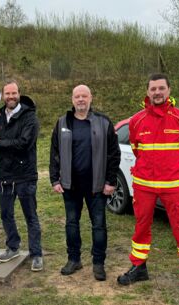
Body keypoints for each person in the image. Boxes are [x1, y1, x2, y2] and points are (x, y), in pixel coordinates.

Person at [116, 73, 179, 298]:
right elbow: (138, 150)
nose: (157, 92)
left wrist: (174, 168)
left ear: (169, 90)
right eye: (153, 89)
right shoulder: (136, 120)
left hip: (174, 186)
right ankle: (139, 268)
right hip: (144, 186)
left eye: (161, 88)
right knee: (141, 227)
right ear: (147, 92)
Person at [49, 84, 121, 281]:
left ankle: (98, 263)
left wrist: (110, 181)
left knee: (98, 225)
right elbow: (54, 152)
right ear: (72, 100)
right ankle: (74, 259)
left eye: (84, 96)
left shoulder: (103, 122)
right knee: (72, 223)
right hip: (70, 186)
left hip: (97, 186)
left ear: (90, 98)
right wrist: (55, 178)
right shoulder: (62, 122)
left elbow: (114, 154)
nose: (80, 99)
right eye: (77, 96)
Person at [0, 80, 43, 271]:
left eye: (14, 93)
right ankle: (13, 246)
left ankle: (36, 254)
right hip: (4, 176)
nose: (11, 96)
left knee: (30, 216)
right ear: (3, 96)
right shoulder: (0, 119)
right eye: (7, 94)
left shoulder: (30, 118)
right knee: (6, 214)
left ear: (19, 94)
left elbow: (24, 143)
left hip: (25, 176)